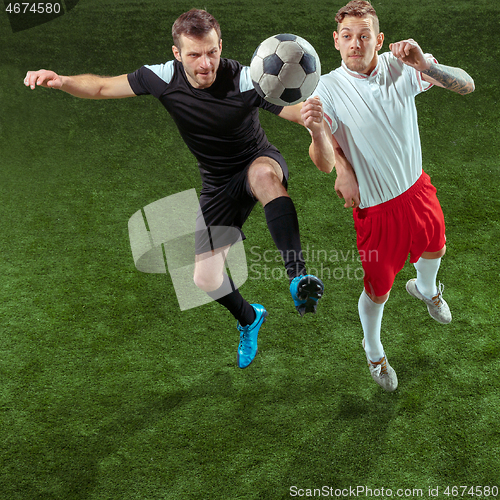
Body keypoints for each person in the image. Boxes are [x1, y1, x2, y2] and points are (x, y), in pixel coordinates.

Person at [24, 8, 326, 369]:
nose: (205, 63)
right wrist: (61, 80)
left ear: (220, 46)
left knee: (264, 176)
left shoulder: (247, 78)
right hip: (217, 183)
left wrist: (310, 116)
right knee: (205, 278)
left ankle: (298, 276)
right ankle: (249, 317)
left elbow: (291, 110)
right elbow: (103, 86)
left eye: (212, 52)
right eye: (195, 54)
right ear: (177, 53)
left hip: (256, 160)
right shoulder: (161, 78)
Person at [301, 0, 474, 391]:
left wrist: (424, 66)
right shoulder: (325, 88)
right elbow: (324, 163)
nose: (355, 44)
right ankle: (374, 350)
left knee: (436, 249)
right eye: (347, 37)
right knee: (377, 290)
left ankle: (427, 290)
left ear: (378, 40)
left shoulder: (401, 67)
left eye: (364, 36)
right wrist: (315, 132)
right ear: (335, 40)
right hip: (377, 212)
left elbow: (467, 83)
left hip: (418, 190)